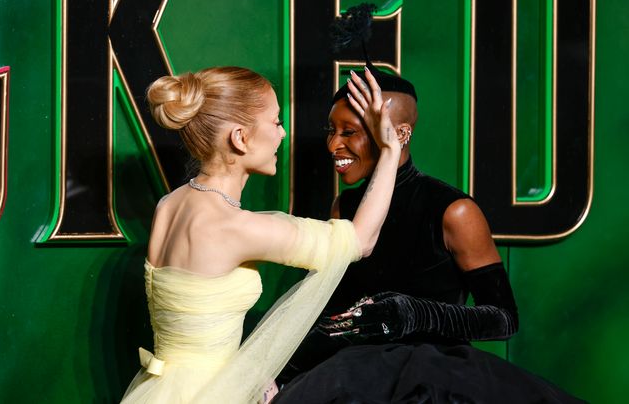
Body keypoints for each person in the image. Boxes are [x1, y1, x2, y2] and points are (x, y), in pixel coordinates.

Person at [274, 64, 585, 403]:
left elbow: (503, 319)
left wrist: (410, 314)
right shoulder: (344, 207)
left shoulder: (454, 211)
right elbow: (332, 312)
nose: (333, 144)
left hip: (431, 381)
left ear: (400, 134)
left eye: (349, 132)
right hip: (350, 377)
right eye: (331, 129)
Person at [120, 66, 401, 403]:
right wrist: (390, 150)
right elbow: (361, 240)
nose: (282, 134)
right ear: (240, 137)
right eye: (276, 122)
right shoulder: (236, 228)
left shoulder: (169, 205)